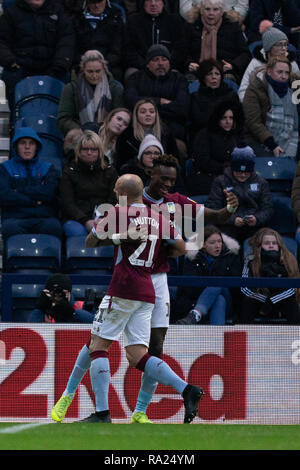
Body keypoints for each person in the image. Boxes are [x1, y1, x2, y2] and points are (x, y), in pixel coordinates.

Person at [51, 154, 238, 424]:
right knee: (138, 354)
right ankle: (187, 389)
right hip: (148, 290)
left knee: (99, 346)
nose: (115, 196)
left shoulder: (117, 212)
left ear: (122, 194)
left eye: (116, 192)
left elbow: (90, 241)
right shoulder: (159, 217)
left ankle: (103, 413)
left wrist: (119, 236)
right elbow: (181, 247)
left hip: (123, 286)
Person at [0, 0, 75, 113]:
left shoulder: (58, 10)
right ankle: (17, 121)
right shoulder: (11, 12)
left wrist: (60, 64)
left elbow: (67, 40)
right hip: (20, 66)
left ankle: (58, 123)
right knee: (12, 78)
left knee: (63, 80)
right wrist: (10, 62)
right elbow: (2, 41)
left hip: (53, 67)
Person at [0, 127, 62, 242]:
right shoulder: (5, 168)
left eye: (31, 143)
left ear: (36, 147)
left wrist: (18, 192)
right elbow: (5, 196)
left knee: (54, 227)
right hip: (15, 218)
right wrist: (35, 201)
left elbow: (49, 193)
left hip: (43, 218)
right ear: (16, 147)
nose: (27, 147)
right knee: (9, 228)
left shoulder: (48, 168)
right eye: (23, 143)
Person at [125, 44, 190, 153]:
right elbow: (131, 101)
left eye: (164, 59)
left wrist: (147, 108)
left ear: (169, 63)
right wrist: (160, 101)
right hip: (140, 128)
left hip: (171, 129)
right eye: (155, 60)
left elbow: (182, 108)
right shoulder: (136, 78)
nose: (160, 63)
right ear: (148, 64)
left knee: (180, 148)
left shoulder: (179, 80)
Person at [206, 144, 274, 243]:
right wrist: (232, 219)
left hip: (254, 226)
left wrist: (256, 219)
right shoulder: (220, 181)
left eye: (246, 172)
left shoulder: (261, 182)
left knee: (261, 240)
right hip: (227, 225)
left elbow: (268, 208)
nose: (242, 175)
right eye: (238, 171)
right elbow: (213, 208)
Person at [174, 225, 242, 325]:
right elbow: (190, 288)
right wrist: (210, 293)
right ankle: (216, 338)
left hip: (229, 303)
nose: (218, 245)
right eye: (212, 242)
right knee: (219, 300)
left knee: (218, 284)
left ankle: (195, 314)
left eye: (219, 241)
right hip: (196, 302)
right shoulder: (193, 259)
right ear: (203, 245)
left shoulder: (231, 257)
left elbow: (235, 287)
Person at [58, 129, 118, 238]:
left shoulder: (110, 171)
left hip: (105, 217)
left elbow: (114, 199)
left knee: (114, 234)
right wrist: (85, 221)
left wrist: (104, 218)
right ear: (78, 151)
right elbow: (67, 202)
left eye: (93, 149)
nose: (89, 152)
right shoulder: (69, 171)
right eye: (85, 149)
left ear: (99, 151)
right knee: (78, 234)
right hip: (76, 219)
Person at [57, 50, 124, 137]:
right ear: (83, 70)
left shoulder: (115, 89)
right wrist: (81, 131)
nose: (94, 75)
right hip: (80, 136)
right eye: (90, 71)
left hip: (107, 135)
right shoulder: (71, 88)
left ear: (104, 69)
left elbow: (120, 117)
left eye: (98, 71)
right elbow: (64, 119)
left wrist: (105, 131)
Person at [240, 227, 300, 324]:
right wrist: (265, 300)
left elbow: (294, 288)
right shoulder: (250, 260)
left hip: (283, 299)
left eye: (274, 243)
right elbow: (244, 287)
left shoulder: (289, 259)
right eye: (267, 243)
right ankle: (242, 336)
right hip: (259, 299)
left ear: (279, 245)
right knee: (248, 302)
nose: (271, 246)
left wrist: (272, 301)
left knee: (291, 304)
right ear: (259, 246)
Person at [243, 55, 299, 158]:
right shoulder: (255, 89)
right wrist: (272, 144)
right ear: (269, 71)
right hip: (259, 140)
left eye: (287, 73)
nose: (283, 76)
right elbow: (253, 122)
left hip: (289, 140)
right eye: (280, 72)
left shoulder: (294, 88)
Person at [184, 0, 251, 84]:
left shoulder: (232, 26)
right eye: (207, 9)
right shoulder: (191, 26)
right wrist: (189, 64)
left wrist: (233, 65)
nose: (211, 13)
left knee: (228, 81)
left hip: (225, 71)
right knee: (189, 81)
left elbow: (245, 54)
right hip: (197, 70)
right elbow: (182, 52)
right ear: (201, 11)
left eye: (215, 9)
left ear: (222, 11)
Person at [187, 100, 244, 195]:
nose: (228, 121)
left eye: (231, 118)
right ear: (217, 119)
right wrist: (224, 168)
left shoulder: (235, 137)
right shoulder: (204, 134)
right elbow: (202, 161)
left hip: (230, 178)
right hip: (206, 179)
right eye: (224, 118)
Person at [238, 20, 300, 102]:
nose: (284, 48)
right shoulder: (256, 63)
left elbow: (298, 92)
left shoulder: (292, 64)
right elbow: (243, 90)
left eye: (286, 44)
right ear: (269, 47)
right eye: (279, 45)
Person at [124, 0, 187, 79]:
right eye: (149, 0)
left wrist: (165, 65)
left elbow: (180, 49)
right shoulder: (133, 21)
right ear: (143, 3)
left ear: (163, 3)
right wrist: (148, 66)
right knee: (131, 74)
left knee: (178, 77)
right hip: (142, 68)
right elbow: (129, 51)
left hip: (169, 67)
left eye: (157, 0)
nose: (153, 4)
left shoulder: (174, 21)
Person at [116, 98, 179, 171]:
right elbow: (121, 164)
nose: (148, 114)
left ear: (156, 115)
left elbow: (175, 161)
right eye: (143, 112)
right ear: (136, 115)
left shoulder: (166, 134)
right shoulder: (126, 136)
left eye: (151, 112)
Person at [73, 0, 124, 82]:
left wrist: (103, 64)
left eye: (99, 1)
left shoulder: (116, 18)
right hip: (82, 64)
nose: (96, 5)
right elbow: (73, 47)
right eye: (93, 2)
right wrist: (84, 63)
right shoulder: (77, 18)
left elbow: (117, 48)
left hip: (109, 65)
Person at [189, 58, 241, 137]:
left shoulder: (231, 96)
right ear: (203, 78)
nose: (214, 77)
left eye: (217, 74)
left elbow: (237, 119)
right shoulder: (195, 97)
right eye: (209, 74)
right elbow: (198, 120)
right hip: (204, 138)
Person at [27, 273, 95, 323]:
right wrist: (39, 309)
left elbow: (96, 326)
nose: (57, 297)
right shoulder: (44, 312)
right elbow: (31, 334)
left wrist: (72, 313)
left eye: (62, 293)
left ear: (69, 293)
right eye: (54, 294)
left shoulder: (82, 306)